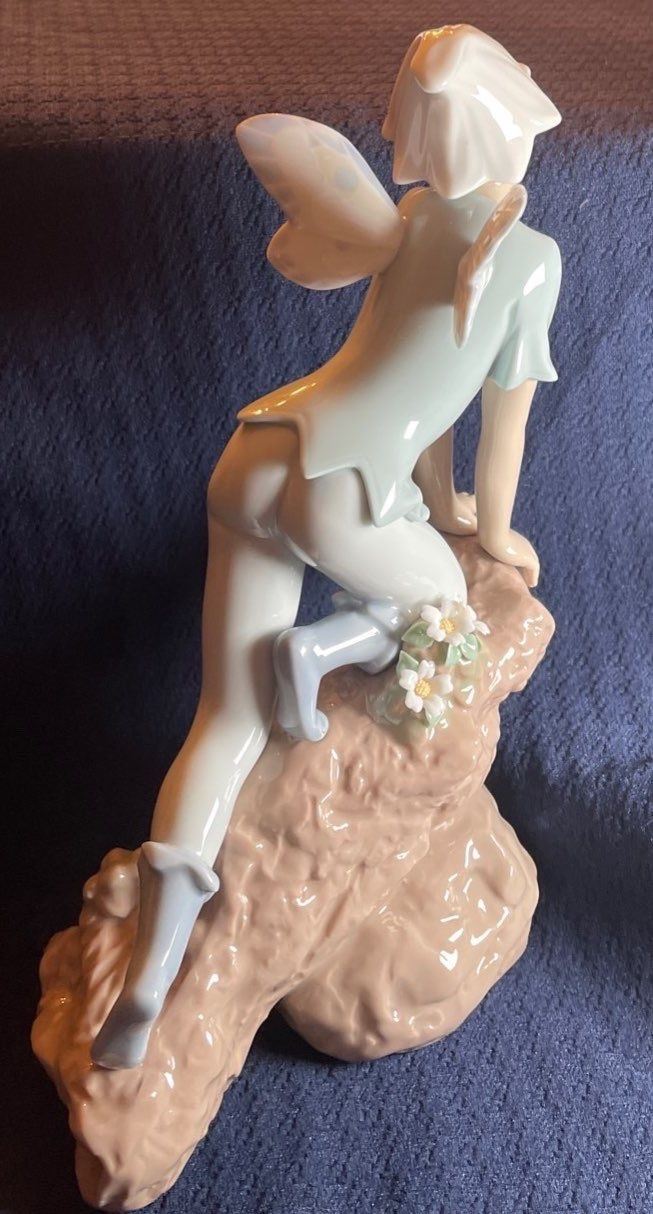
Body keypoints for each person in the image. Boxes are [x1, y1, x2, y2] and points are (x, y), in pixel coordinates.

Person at [92, 24, 561, 1069]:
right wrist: (485, 530)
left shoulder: (411, 216)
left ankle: (147, 983)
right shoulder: (530, 260)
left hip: (259, 448)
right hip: (339, 490)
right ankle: (324, 648)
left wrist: (432, 499)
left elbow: (416, 406)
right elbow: (497, 430)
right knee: (444, 617)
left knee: (222, 723)